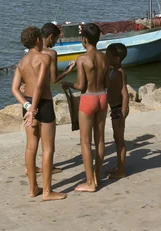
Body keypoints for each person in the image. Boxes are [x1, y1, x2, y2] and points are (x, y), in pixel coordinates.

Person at [11, 26, 66, 201]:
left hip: (28, 104)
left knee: (30, 147)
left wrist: (27, 107)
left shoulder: (21, 62)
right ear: (37, 40)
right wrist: (33, 109)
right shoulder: (44, 58)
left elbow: (14, 89)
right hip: (43, 105)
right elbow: (41, 86)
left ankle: (33, 188)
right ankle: (47, 192)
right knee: (48, 149)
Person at [62, 23, 109, 192]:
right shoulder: (105, 58)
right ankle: (97, 176)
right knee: (100, 139)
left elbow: (81, 85)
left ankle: (90, 182)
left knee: (86, 142)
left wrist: (68, 83)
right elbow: (106, 82)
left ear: (84, 40)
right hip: (102, 97)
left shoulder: (82, 59)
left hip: (88, 98)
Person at [23, 22, 75, 176]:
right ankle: (48, 171)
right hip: (44, 99)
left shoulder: (28, 53)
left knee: (31, 143)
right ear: (50, 37)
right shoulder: (51, 54)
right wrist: (68, 71)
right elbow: (53, 80)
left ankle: (30, 168)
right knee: (47, 144)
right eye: (56, 39)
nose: (55, 43)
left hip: (28, 98)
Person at [106, 43, 129, 179]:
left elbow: (125, 94)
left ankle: (121, 170)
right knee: (116, 138)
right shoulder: (113, 71)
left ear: (117, 58)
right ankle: (119, 166)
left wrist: (123, 113)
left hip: (119, 109)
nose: (106, 59)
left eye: (108, 57)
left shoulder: (120, 73)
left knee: (119, 139)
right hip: (114, 109)